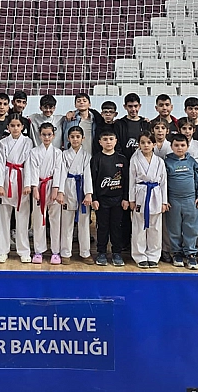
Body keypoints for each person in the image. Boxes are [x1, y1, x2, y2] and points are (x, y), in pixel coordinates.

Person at [0, 115, 34, 263]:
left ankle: (23, 250)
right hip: (6, 179)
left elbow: (29, 163)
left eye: (18, 125)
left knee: (22, 217)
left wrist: (28, 183)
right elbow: (0, 163)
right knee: (3, 217)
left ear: (22, 127)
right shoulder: (3, 142)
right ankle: (2, 251)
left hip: (21, 179)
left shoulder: (28, 142)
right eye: (12, 125)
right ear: (8, 127)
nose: (15, 128)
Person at [114, 92, 149, 253]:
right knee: (125, 205)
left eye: (136, 106)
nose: (133, 109)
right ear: (125, 107)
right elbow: (117, 145)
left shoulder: (145, 124)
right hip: (124, 167)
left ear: (139, 106)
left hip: (141, 170)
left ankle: (142, 242)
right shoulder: (119, 124)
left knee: (139, 207)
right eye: (130, 106)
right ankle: (124, 242)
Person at [26, 122, 65, 264]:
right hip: (40, 187)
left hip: (52, 186)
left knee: (55, 220)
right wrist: (35, 188)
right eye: (44, 134)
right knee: (38, 220)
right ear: (39, 135)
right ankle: (38, 251)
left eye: (49, 134)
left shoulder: (58, 153)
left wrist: (56, 188)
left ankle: (56, 251)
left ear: (54, 136)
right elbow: (32, 170)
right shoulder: (34, 152)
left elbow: (59, 170)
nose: (47, 137)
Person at [164, 134, 198, 270]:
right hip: (173, 201)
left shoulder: (192, 162)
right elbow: (163, 183)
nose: (179, 148)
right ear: (171, 146)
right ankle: (177, 253)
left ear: (187, 146)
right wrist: (165, 199)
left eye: (182, 145)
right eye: (176, 145)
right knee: (174, 228)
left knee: (191, 228)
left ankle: (191, 254)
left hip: (190, 201)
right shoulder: (167, 162)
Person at [129, 130, 168, 268]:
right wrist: (131, 199)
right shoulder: (134, 160)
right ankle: (139, 256)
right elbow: (131, 181)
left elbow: (163, 182)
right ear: (139, 144)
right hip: (140, 194)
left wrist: (164, 201)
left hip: (156, 194)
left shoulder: (160, 161)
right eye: (143, 142)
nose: (146, 145)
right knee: (139, 227)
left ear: (154, 144)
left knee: (155, 228)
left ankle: (153, 255)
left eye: (149, 142)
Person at [91, 130, 129, 267]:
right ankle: (101, 252)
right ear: (100, 142)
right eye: (105, 139)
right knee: (102, 227)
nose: (108, 141)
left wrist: (125, 198)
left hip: (118, 199)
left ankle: (117, 253)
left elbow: (126, 181)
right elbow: (93, 180)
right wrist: (94, 198)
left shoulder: (122, 159)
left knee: (116, 227)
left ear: (116, 141)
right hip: (102, 200)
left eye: (111, 139)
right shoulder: (96, 159)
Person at [59, 126, 94, 264]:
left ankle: (85, 253)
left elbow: (88, 176)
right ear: (68, 138)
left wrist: (89, 194)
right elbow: (61, 174)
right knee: (66, 224)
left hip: (82, 191)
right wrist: (61, 192)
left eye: (78, 137)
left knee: (84, 224)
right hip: (68, 189)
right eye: (72, 137)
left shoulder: (86, 155)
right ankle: (65, 252)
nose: (75, 139)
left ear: (83, 139)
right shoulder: (63, 155)